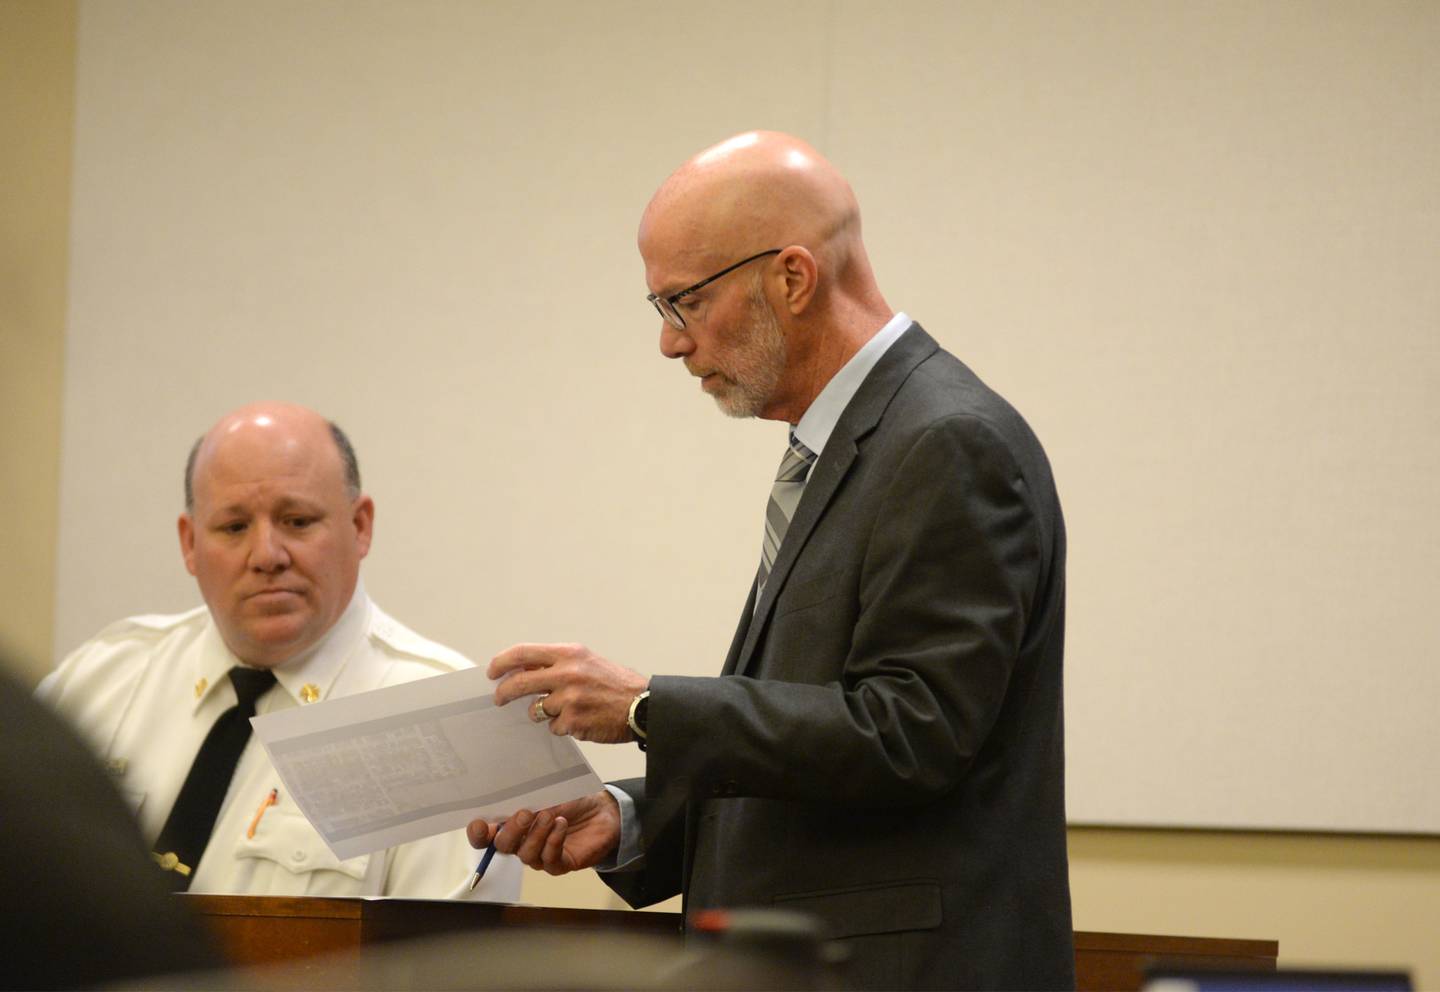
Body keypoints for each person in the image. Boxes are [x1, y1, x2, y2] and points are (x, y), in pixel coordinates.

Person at [467, 131, 1074, 991]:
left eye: (685, 302)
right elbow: (805, 745)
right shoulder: (852, 446)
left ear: (792, 278)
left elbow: (911, 734)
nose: (671, 345)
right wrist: (630, 820)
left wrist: (645, 707)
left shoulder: (947, 442)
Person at [38, 402, 520, 901]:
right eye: (233, 527)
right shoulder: (101, 679)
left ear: (360, 527)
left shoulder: (445, 722)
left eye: (296, 520)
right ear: (189, 542)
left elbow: (443, 968)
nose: (267, 555)